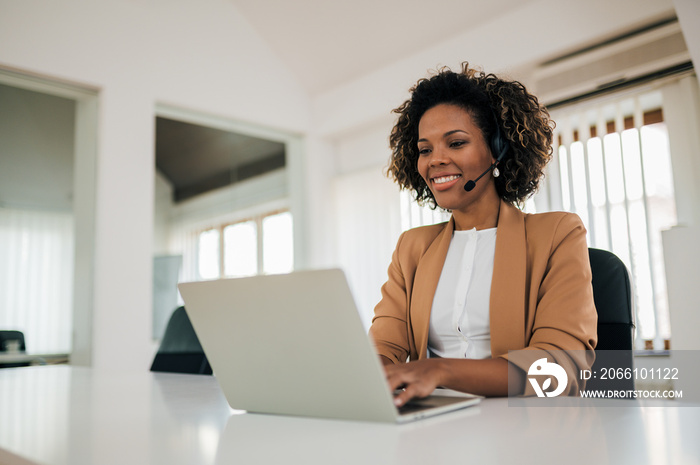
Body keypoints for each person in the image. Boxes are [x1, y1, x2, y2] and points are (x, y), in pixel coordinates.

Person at [369, 63, 597, 406]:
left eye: (456, 143)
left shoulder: (556, 234)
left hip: (528, 427)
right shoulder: (413, 247)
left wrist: (440, 371)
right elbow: (383, 347)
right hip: (434, 424)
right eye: (425, 149)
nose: (435, 160)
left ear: (497, 150)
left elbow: (560, 366)